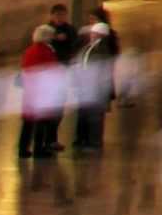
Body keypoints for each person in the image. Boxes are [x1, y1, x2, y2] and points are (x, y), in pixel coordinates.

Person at [72, 11, 121, 150]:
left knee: (95, 118)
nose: (91, 35)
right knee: (85, 115)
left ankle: (94, 142)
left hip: (96, 89)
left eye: (93, 33)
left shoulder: (101, 50)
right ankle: (83, 139)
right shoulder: (91, 47)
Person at [18, 26, 66, 158]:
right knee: (42, 122)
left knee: (28, 124)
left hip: (30, 92)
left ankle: (23, 150)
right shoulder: (45, 51)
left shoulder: (29, 50)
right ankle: (39, 150)